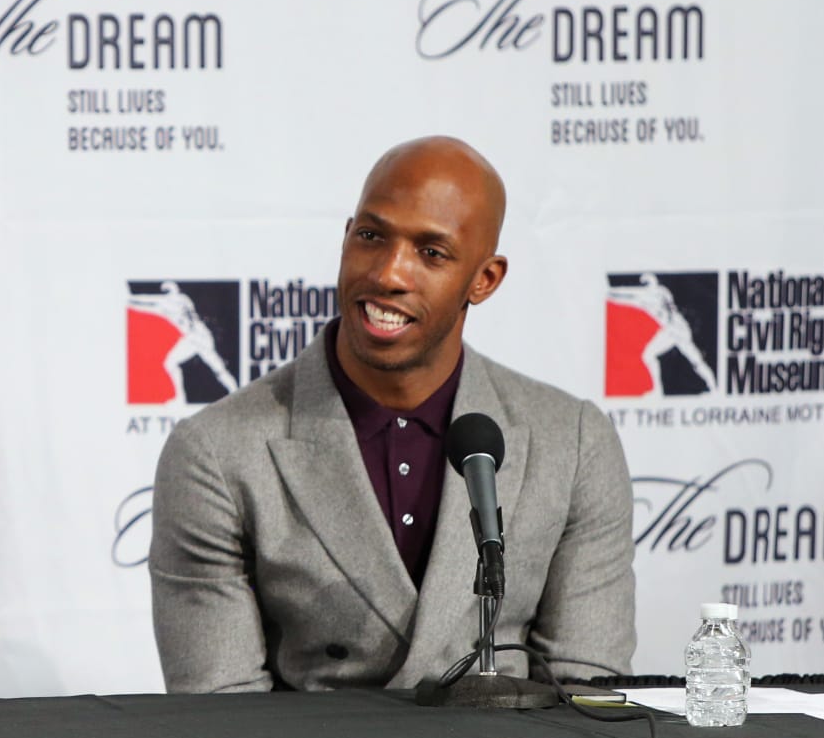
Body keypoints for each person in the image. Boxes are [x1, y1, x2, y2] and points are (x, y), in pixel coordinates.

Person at [149, 137, 635, 691]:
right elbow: (220, 716)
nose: (388, 274)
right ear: (346, 237)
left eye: (432, 253)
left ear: (485, 279)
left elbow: (588, 697)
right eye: (372, 237)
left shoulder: (572, 442)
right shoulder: (216, 451)